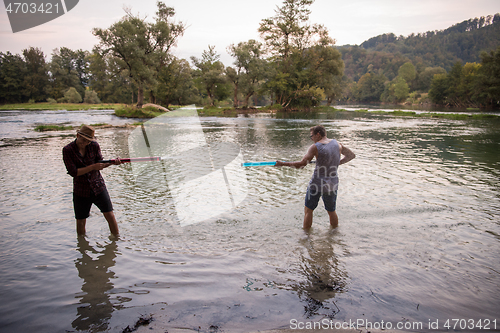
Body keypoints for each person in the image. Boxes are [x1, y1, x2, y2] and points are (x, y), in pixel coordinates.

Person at [276, 125, 355, 230]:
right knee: (331, 211)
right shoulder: (338, 144)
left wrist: (283, 164)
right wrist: (337, 163)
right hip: (332, 184)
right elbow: (351, 155)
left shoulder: (315, 147)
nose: (311, 139)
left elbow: (302, 164)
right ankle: (334, 235)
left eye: (311, 136)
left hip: (316, 184)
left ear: (318, 134)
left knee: (308, 211)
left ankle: (306, 237)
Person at [63, 125, 120, 236]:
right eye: (83, 140)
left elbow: (100, 163)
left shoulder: (94, 146)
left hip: (98, 186)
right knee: (80, 221)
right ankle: (82, 247)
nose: (85, 143)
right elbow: (73, 172)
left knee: (110, 215)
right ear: (77, 135)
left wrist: (113, 163)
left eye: (88, 141)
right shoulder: (67, 150)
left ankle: (116, 242)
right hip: (80, 190)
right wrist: (92, 167)